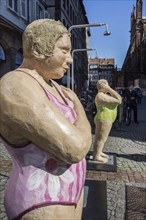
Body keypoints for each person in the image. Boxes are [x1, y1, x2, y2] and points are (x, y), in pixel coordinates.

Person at [0, 19, 92, 220]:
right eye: (64, 50)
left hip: (68, 195)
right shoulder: (16, 85)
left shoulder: (51, 84)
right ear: (38, 48)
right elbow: (75, 147)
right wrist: (79, 108)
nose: (70, 59)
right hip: (40, 201)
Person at [93, 79, 122, 163]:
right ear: (103, 86)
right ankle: (96, 156)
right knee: (100, 139)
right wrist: (109, 89)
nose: (108, 86)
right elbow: (119, 99)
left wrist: (108, 89)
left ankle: (99, 152)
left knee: (103, 138)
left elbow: (117, 99)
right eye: (106, 85)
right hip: (104, 118)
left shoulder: (104, 95)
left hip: (106, 118)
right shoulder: (100, 96)